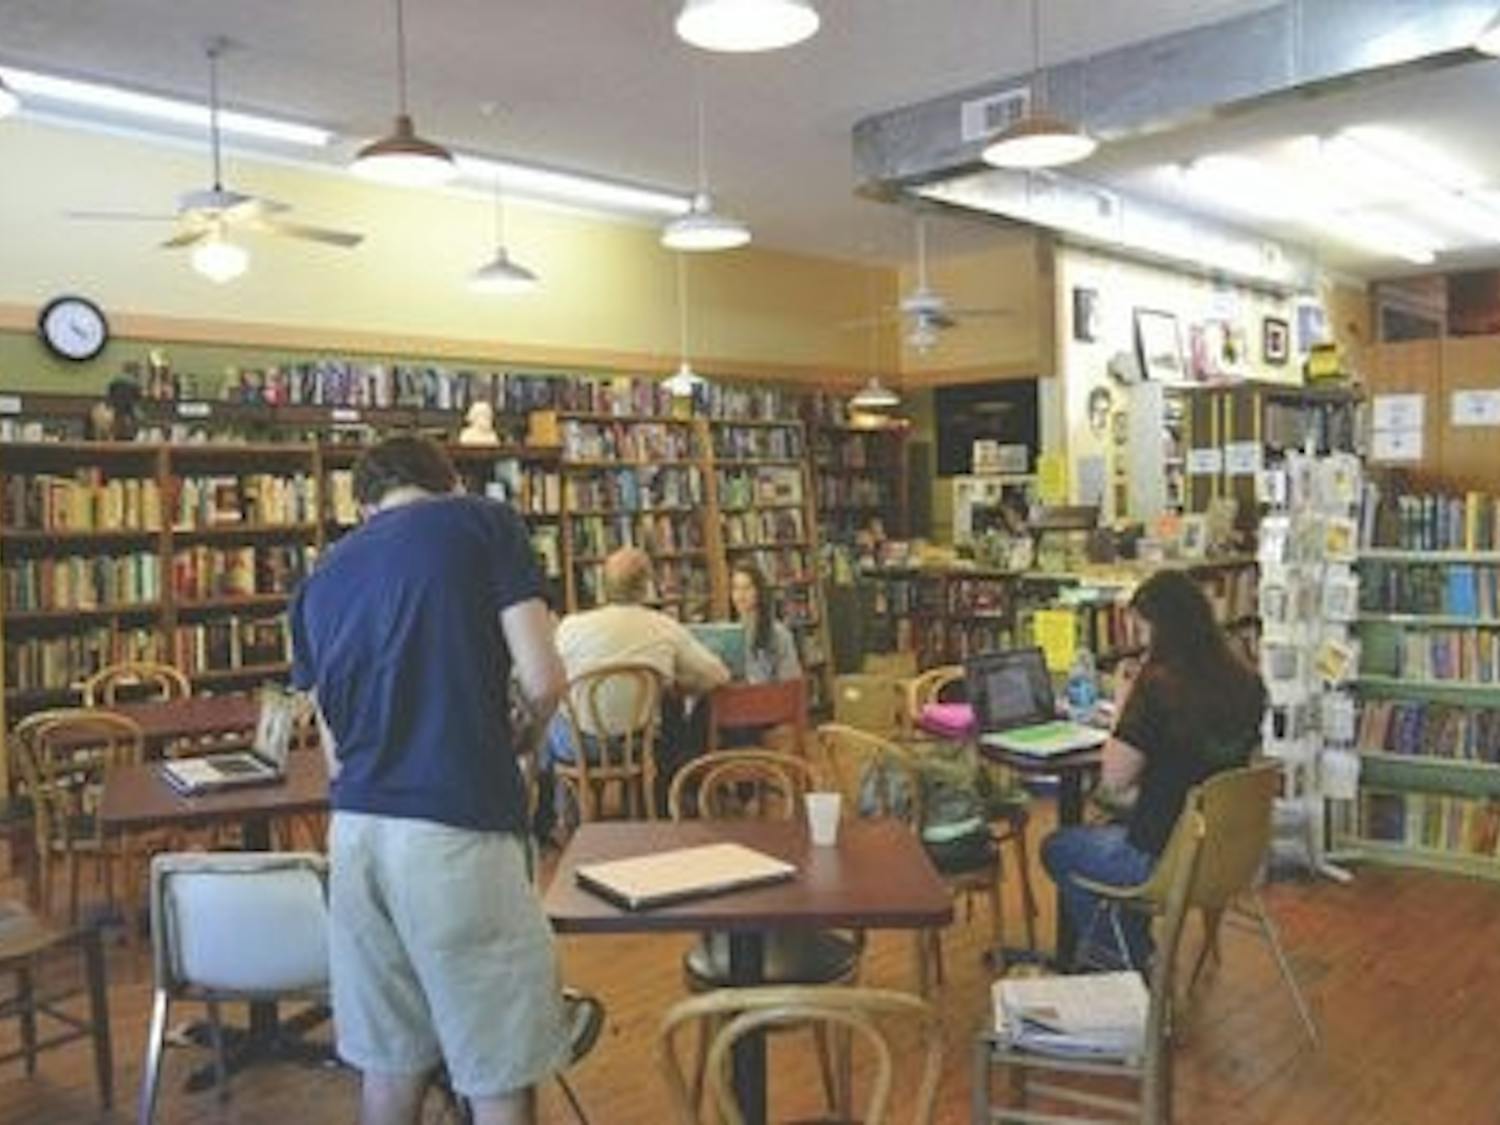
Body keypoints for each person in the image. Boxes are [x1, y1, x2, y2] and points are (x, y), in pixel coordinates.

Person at [290, 435, 567, 1125]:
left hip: (354, 837)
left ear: (361, 505)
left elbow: (335, 757)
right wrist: (524, 736)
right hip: (456, 825)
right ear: (448, 481)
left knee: (389, 1064)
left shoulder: (317, 580)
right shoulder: (483, 521)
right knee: (495, 1065)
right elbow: (542, 678)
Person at [1041, 569, 1267, 967]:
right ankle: (1132, 953)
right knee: (1107, 830)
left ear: (1162, 630)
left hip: (1160, 857)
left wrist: (1126, 705)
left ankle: (1127, 961)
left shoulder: (1159, 686)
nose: (1141, 644)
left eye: (1143, 633)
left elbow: (1114, 780)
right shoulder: (1246, 683)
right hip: (1221, 855)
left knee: (1059, 848)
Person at [539, 547, 729, 822]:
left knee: (547, 711)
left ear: (603, 586)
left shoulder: (572, 627)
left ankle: (551, 817)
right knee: (667, 712)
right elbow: (718, 674)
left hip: (578, 745)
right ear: (646, 586)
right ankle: (652, 808)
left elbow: (545, 674)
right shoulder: (663, 626)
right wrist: (676, 684)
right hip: (638, 743)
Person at [729, 562, 801, 684]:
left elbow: (791, 682)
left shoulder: (779, 634)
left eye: (746, 588)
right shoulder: (730, 634)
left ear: (758, 591)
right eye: (736, 588)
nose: (740, 595)